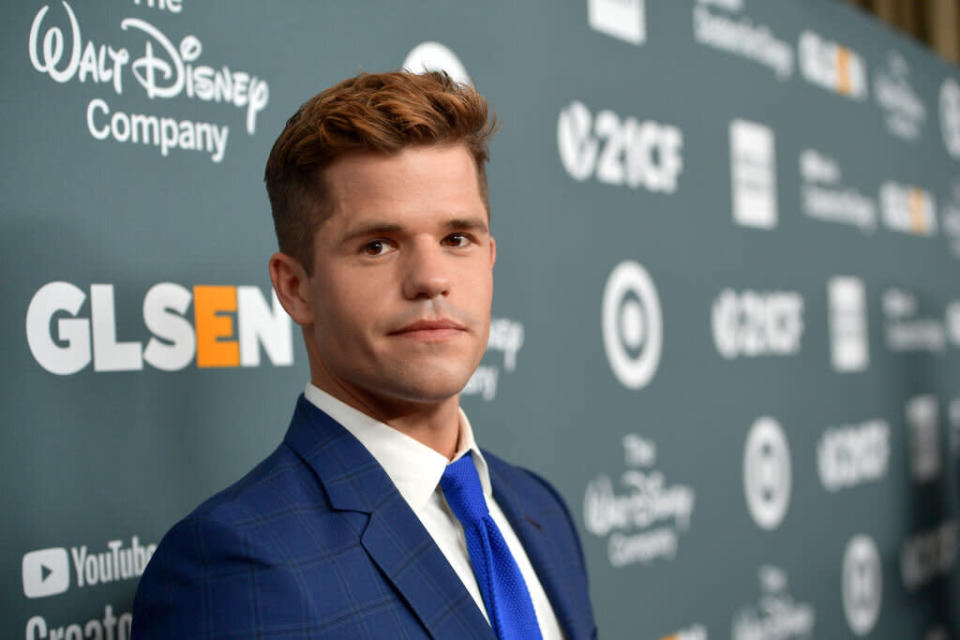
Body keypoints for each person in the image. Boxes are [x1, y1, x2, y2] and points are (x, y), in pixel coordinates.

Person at [132, 70, 597, 639]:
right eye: (378, 245)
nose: (431, 278)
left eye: (457, 239)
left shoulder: (538, 509)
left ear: (490, 256)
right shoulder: (234, 564)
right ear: (295, 287)